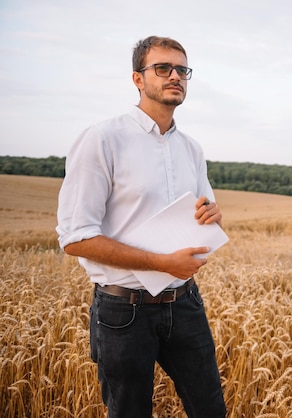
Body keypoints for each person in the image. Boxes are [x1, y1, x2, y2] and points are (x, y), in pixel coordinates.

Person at [56, 36, 227, 417]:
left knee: (211, 409)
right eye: (162, 68)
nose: (174, 76)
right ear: (137, 78)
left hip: (185, 302)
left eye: (182, 70)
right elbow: (75, 238)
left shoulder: (191, 148)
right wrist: (162, 262)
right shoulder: (103, 139)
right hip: (123, 310)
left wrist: (212, 216)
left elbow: (207, 213)